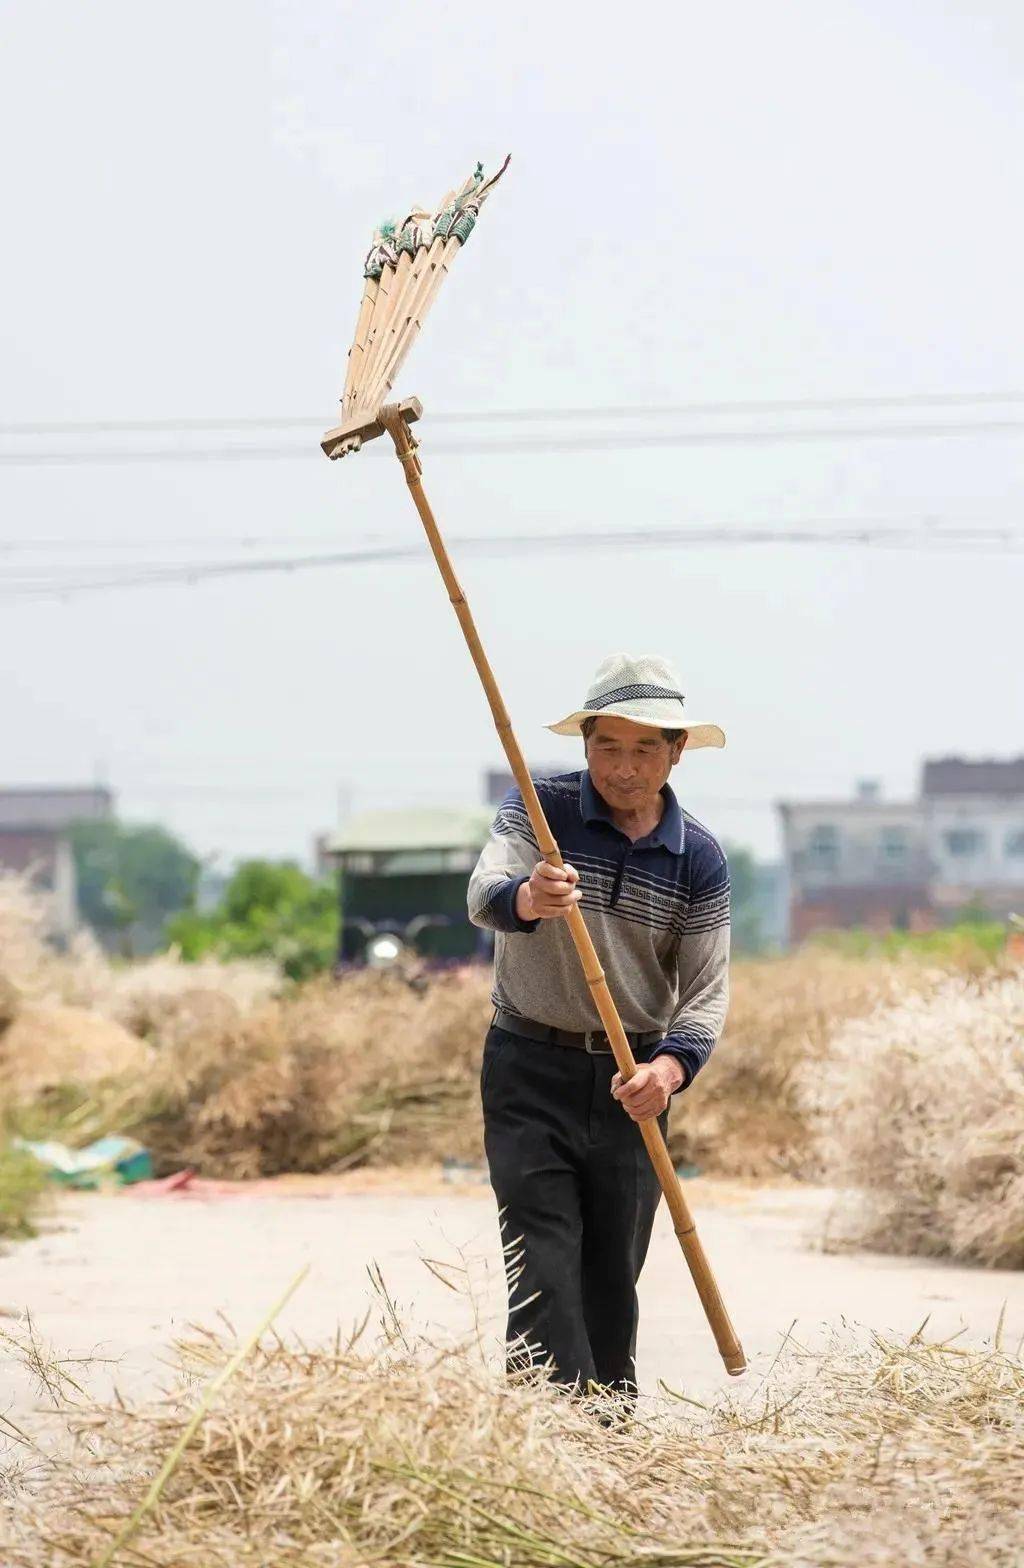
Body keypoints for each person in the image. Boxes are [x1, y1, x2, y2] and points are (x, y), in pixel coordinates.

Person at [468, 651, 730, 1407]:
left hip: (632, 1082)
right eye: (607, 746)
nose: (623, 767)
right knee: (542, 1260)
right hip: (528, 1067)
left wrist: (669, 1072)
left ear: (677, 752)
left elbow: (707, 993)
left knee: (612, 1276)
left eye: (646, 747)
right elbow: (485, 891)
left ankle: (610, 1436)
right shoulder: (538, 809)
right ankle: (547, 1434)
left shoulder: (698, 859)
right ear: (585, 745)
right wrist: (529, 897)